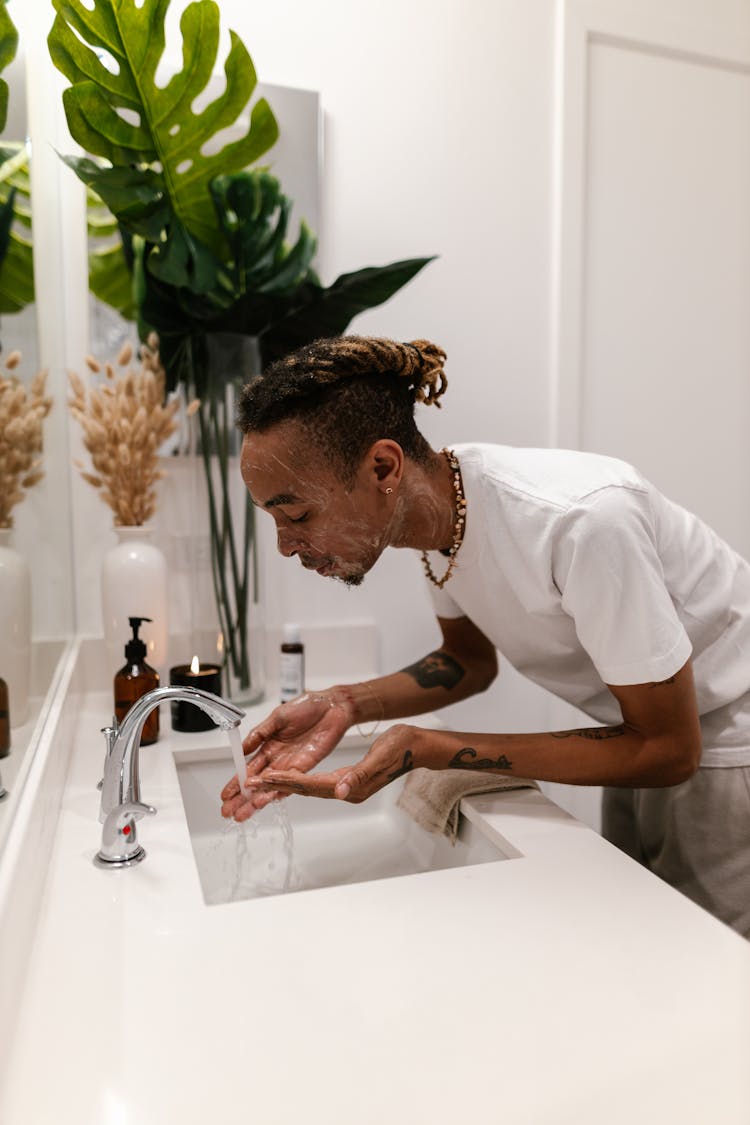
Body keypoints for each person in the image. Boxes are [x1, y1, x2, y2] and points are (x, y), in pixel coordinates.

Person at [220, 335, 750, 939]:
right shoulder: (441, 511)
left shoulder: (580, 521)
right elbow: (467, 662)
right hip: (635, 734)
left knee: (713, 982)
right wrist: (349, 701)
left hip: (727, 744)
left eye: (297, 516)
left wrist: (433, 747)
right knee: (643, 944)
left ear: (383, 467)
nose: (286, 547)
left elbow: (670, 749)